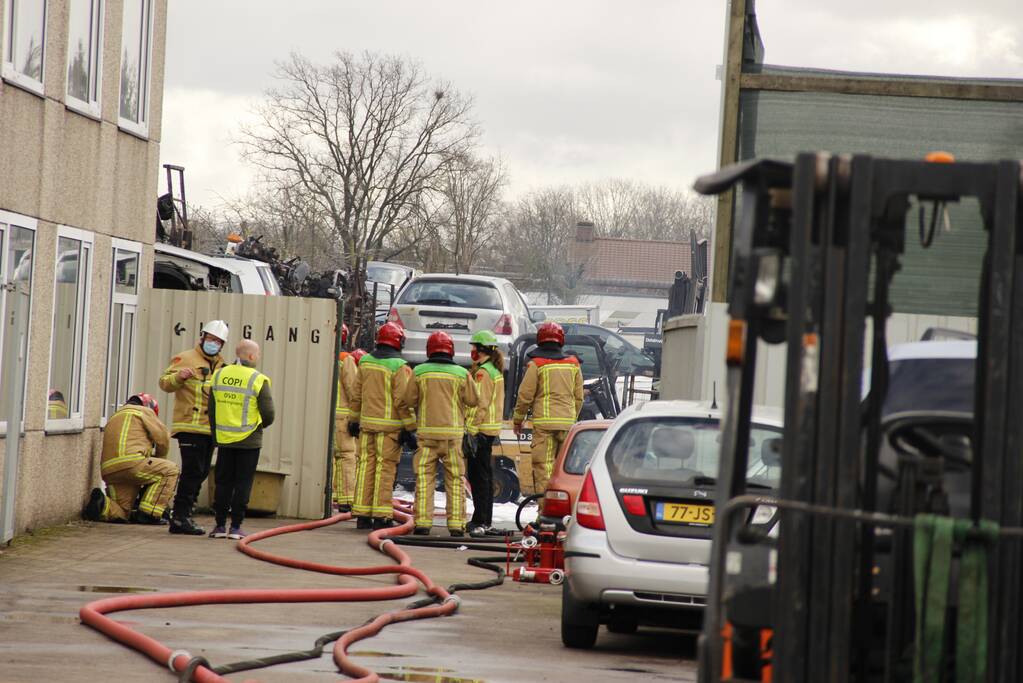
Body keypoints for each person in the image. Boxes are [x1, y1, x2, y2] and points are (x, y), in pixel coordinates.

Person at [404, 331, 478, 536]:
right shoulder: (462, 374)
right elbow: (473, 400)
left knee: (424, 479)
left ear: (430, 349)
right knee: (455, 480)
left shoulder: (419, 372)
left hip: (427, 436)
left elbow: (408, 400)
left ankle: (422, 524)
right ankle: (455, 526)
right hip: (453, 437)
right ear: (451, 350)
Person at [158, 320, 228, 535]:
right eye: (210, 339)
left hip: (209, 429)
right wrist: (179, 377)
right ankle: (180, 517)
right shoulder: (186, 358)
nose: (213, 343)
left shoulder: (221, 365)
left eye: (218, 341)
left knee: (202, 472)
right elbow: (164, 383)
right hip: (189, 426)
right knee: (192, 471)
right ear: (202, 337)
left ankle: (185, 514)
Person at [348, 322, 415, 530]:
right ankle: (380, 515)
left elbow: (356, 394)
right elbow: (402, 401)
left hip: (366, 426)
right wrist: (410, 427)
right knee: (384, 471)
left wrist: (353, 420)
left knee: (366, 467)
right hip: (390, 430)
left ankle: (361, 514)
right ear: (399, 342)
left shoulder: (366, 362)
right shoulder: (400, 366)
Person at [207, 339, 275, 540]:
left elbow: (212, 409)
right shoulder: (257, 379)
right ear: (252, 356)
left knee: (223, 482)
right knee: (243, 483)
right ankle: (236, 527)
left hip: (225, 439)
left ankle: (219, 525)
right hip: (249, 441)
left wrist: (217, 433)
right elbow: (269, 413)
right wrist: (257, 427)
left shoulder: (219, 374)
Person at [83, 394, 180, 524]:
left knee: (123, 511)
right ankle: (149, 514)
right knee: (170, 470)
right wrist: (160, 459)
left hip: (110, 471)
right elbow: (163, 438)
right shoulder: (144, 412)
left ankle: (102, 505)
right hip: (132, 465)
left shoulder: (115, 416)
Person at [513, 322, 583, 495]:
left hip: (544, 427)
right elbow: (579, 397)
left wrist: (518, 420)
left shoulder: (536, 364)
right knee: (564, 471)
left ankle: (544, 513)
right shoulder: (573, 365)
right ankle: (561, 511)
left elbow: (525, 395)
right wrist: (572, 418)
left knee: (543, 469)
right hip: (567, 425)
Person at [464, 330, 505, 536]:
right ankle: (484, 519)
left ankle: (480, 520)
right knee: (485, 477)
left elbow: (479, 404)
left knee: (478, 477)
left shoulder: (483, 373)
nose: (471, 350)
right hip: (489, 431)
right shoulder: (494, 371)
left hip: (480, 431)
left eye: (474, 346)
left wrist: (471, 430)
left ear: (481, 350)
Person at [333, 324, 360, 513]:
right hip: (342, 416)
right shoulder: (345, 360)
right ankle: (347, 499)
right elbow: (354, 390)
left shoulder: (320, 355)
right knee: (346, 457)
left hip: (322, 416)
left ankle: (332, 494)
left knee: (330, 459)